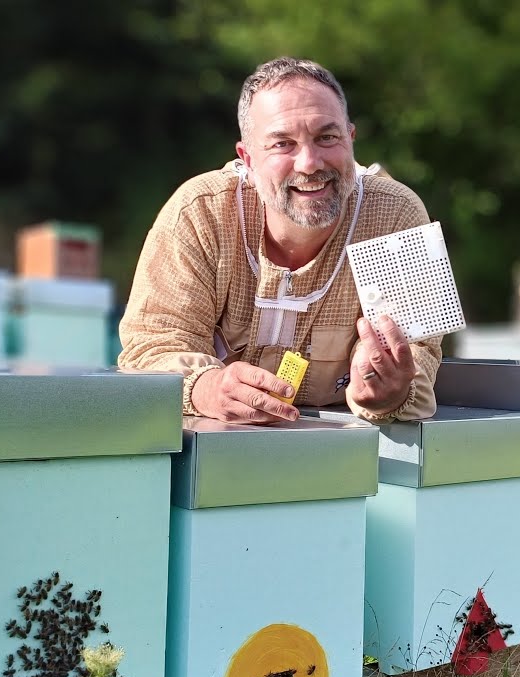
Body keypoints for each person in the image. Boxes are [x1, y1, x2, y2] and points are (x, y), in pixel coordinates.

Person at [118, 57, 440, 424]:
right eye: (283, 144)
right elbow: (151, 343)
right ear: (248, 160)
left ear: (350, 140)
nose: (309, 163)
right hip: (208, 449)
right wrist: (206, 387)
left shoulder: (396, 215)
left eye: (327, 138)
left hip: (347, 453)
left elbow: (420, 352)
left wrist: (390, 395)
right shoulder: (200, 212)